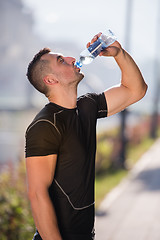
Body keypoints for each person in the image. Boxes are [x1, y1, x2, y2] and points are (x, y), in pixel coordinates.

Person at [25, 32, 147, 240]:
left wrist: (119, 53)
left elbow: (136, 90)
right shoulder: (45, 124)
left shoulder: (87, 107)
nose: (72, 58)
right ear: (51, 79)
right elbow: (37, 195)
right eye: (61, 60)